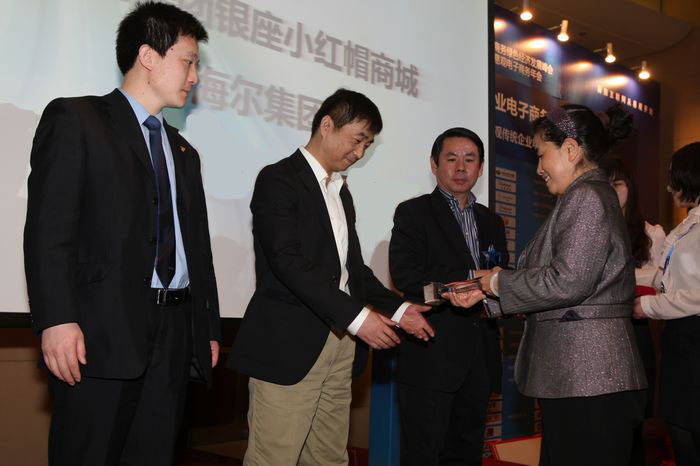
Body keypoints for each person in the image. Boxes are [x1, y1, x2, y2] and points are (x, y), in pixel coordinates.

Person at [23, 2, 221, 464]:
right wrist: (55, 319)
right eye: (188, 62)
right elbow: (49, 230)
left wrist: (206, 328)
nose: (194, 77)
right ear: (148, 56)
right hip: (100, 333)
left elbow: (198, 250)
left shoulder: (184, 152)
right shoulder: (77, 119)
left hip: (174, 336)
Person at [229, 88, 431, 466]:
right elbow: (287, 262)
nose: (360, 153)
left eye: (367, 145)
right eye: (357, 139)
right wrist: (358, 317)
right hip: (291, 343)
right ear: (327, 125)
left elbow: (353, 270)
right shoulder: (279, 179)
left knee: (329, 457)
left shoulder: (340, 192)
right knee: (274, 458)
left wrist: (399, 309)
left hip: (340, 343)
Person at [448, 104, 647, 465]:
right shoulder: (585, 195)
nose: (538, 168)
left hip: (589, 375)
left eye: (541, 155)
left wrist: (497, 283)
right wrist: (486, 294)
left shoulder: (586, 197)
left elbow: (568, 281)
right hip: (581, 376)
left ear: (570, 150)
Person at [388, 127, 507, 466]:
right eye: (451, 158)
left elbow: (499, 276)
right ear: (434, 164)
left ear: (481, 168)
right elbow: (406, 276)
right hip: (431, 356)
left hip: (479, 359)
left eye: (470, 159)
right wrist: (471, 279)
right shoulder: (413, 213)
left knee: (467, 455)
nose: (460, 167)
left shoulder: (492, 221)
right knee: (423, 456)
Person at [633, 142, 700, 466]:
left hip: (693, 341)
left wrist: (648, 307)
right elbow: (665, 277)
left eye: (674, 176)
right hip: (680, 342)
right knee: (680, 432)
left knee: (688, 436)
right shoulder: (689, 223)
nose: (669, 187)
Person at [608, 160, 666, 465]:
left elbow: (661, 282)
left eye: (618, 184)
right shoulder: (593, 229)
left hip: (636, 329)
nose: (612, 191)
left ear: (630, 189)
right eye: (606, 185)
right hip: (601, 331)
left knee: (635, 419)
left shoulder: (651, 233)